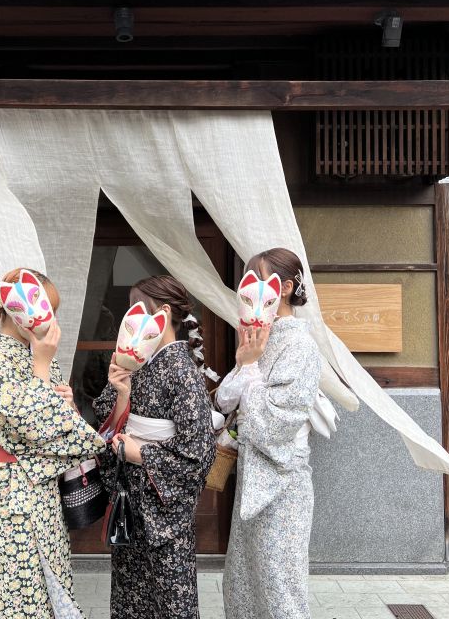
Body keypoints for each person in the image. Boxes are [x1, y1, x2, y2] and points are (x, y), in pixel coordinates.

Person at [0, 268, 105, 619]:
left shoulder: (33, 354)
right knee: (18, 587)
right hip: (10, 488)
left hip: (37, 486)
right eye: (46, 309)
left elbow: (56, 421)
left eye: (52, 311)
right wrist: (41, 367)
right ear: (18, 309)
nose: (50, 320)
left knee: (47, 581)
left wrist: (65, 402)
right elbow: (36, 426)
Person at [93, 275, 216, 619]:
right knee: (131, 595)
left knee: (170, 598)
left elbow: (199, 451)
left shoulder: (182, 370)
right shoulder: (137, 363)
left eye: (137, 308)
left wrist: (141, 453)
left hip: (163, 508)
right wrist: (121, 394)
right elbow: (106, 419)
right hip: (131, 499)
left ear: (162, 313)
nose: (129, 317)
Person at [216, 248, 320, 619]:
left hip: (283, 480)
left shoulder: (301, 345)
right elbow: (226, 400)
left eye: (257, 280)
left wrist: (249, 369)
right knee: (242, 581)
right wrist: (246, 363)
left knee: (280, 585)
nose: (248, 290)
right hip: (252, 475)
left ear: (285, 288)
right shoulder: (260, 336)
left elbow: (278, 421)